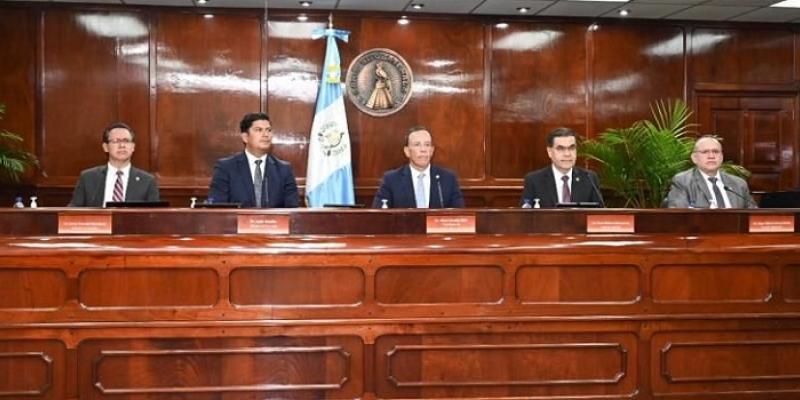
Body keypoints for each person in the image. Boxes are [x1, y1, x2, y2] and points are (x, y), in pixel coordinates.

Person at [208, 112, 299, 208]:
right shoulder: (226, 168)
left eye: (268, 130)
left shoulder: (284, 169)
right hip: (236, 222)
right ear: (245, 137)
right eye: (258, 130)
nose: (265, 135)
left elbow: (292, 209)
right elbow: (217, 208)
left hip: (275, 222)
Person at [69, 122, 159, 207]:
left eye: (126, 141)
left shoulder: (147, 181)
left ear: (133, 147)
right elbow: (72, 212)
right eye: (116, 141)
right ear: (105, 147)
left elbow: (154, 217)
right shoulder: (88, 177)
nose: (122, 145)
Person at [372, 126, 464, 208]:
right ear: (407, 151)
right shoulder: (391, 180)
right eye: (417, 145)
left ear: (432, 150)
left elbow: (460, 217)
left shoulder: (448, 178)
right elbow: (379, 217)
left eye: (427, 145)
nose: (423, 150)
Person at [519, 127, 604, 208]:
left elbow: (599, 215)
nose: (567, 154)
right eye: (560, 149)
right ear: (550, 152)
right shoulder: (534, 180)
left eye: (571, 148)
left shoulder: (589, 178)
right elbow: (525, 216)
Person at [665, 135, 756, 208]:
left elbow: (754, 216)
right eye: (705, 152)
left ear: (721, 157)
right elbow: (679, 217)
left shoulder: (738, 184)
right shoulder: (683, 181)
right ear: (694, 158)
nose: (711, 156)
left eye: (716, 152)